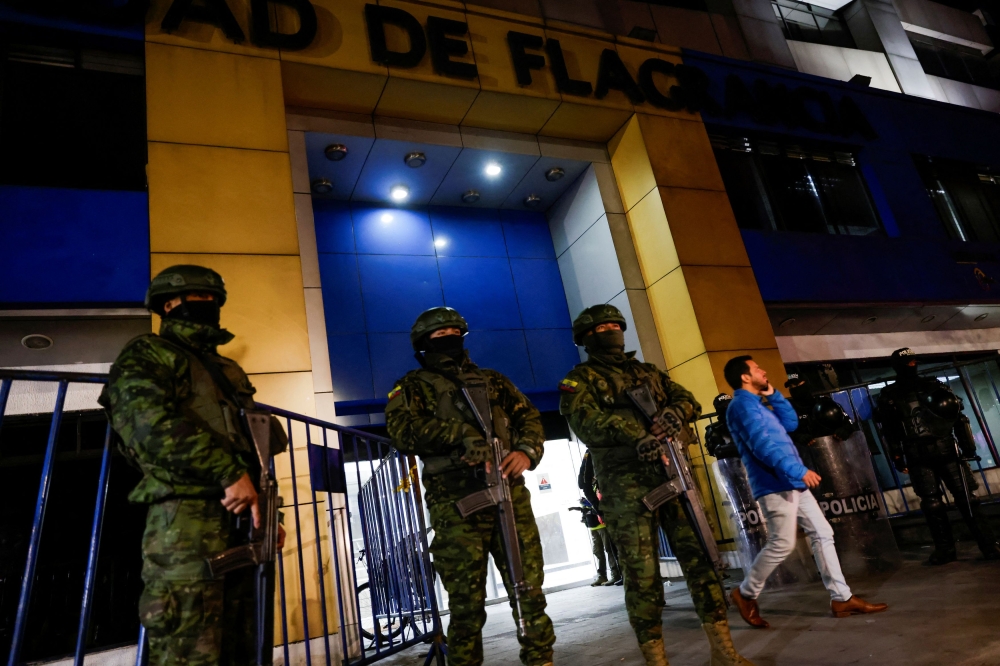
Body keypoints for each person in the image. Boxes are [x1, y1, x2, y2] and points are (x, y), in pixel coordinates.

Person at [99, 265, 287, 665]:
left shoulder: (228, 371)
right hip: (186, 520)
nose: (208, 307)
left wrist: (269, 515)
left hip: (243, 520)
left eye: (213, 300)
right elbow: (148, 426)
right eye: (198, 299)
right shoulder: (149, 353)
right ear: (169, 305)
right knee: (189, 648)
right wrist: (227, 472)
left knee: (245, 645)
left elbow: (252, 446)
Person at [559, 304, 753, 666]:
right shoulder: (579, 380)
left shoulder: (647, 372)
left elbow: (687, 400)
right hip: (625, 488)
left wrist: (671, 415)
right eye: (603, 327)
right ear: (586, 337)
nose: (612, 330)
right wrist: (636, 435)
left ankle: (724, 652)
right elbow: (585, 423)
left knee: (703, 563)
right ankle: (656, 660)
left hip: (672, 474)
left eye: (616, 324)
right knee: (643, 576)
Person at [385, 307, 555, 666]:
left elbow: (528, 417)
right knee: (466, 608)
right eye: (438, 334)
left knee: (529, 594)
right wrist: (460, 435)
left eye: (453, 331)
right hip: (456, 504)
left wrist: (526, 451)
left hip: (510, 497)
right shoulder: (411, 386)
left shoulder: (492, 380)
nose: (448, 337)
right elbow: (402, 433)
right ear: (423, 343)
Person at [723, 355, 887, 628]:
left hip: (790, 481)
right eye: (757, 368)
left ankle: (841, 598)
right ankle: (745, 593)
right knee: (782, 543)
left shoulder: (758, 405)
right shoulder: (741, 407)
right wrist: (799, 471)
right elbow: (763, 446)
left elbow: (790, 424)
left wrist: (773, 394)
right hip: (775, 483)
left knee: (823, 533)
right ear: (744, 377)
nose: (763, 370)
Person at [874, 348, 1000, 564]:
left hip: (944, 449)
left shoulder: (931, 385)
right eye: (909, 362)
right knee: (933, 504)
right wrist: (896, 455)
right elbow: (890, 428)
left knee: (966, 499)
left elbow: (957, 416)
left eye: (914, 361)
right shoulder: (892, 395)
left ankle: (986, 545)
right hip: (919, 452)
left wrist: (967, 447)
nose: (913, 365)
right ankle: (947, 549)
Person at [576, 452, 621, 586]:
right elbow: (583, 482)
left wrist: (598, 508)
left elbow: (583, 482)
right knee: (603, 550)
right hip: (599, 517)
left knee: (612, 548)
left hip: (610, 513)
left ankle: (619, 573)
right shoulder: (591, 453)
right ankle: (613, 574)